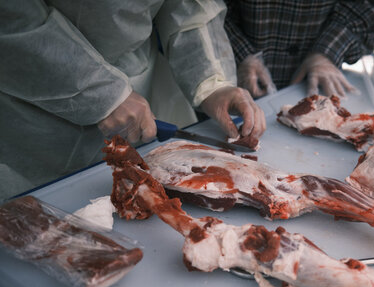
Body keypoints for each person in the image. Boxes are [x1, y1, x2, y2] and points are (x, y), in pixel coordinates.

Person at [0, 0, 266, 201]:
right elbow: (13, 19)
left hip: (137, 83)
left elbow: (191, 5)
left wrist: (212, 81)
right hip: (30, 113)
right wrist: (99, 90)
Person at [224, 0, 374, 98]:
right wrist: (238, 52)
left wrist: (329, 50)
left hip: (319, 81)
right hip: (224, 80)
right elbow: (200, 9)